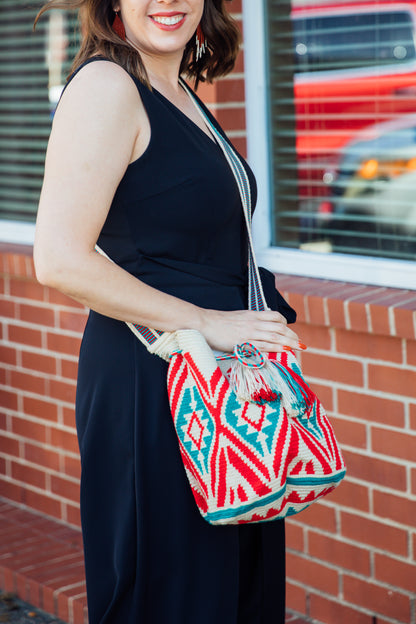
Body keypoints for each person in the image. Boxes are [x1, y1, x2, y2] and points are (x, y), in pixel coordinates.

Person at [34, 1, 303, 622]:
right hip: (153, 382)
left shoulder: (180, 90)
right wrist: (209, 321)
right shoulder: (107, 86)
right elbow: (58, 259)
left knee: (232, 583)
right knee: (174, 592)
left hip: (220, 387)